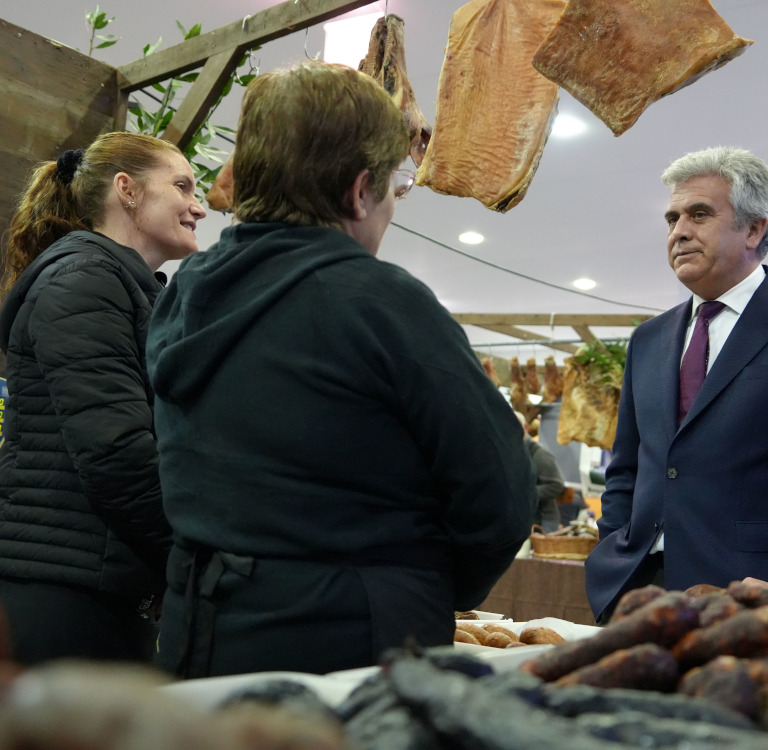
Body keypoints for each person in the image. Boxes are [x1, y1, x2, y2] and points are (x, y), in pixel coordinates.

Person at [147, 61, 535, 678]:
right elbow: (502, 494)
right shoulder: (380, 301)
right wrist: (425, 581)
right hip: (354, 645)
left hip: (201, 630)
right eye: (395, 190)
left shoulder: (182, 291)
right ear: (360, 191)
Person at [586, 147, 768, 621]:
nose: (679, 231)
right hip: (635, 594)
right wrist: (612, 551)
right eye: (673, 218)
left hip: (752, 601)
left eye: (699, 214)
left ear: (754, 229)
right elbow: (626, 469)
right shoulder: (648, 340)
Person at [0, 132, 206, 663]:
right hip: (63, 594)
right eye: (182, 186)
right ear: (127, 190)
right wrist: (198, 562)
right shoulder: (85, 280)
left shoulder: (127, 287)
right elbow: (115, 450)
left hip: (99, 582)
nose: (198, 206)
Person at [516, 412, 564, 533]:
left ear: (526, 427)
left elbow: (557, 486)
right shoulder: (514, 452)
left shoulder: (540, 454)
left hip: (544, 521)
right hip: (524, 518)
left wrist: (523, 493)